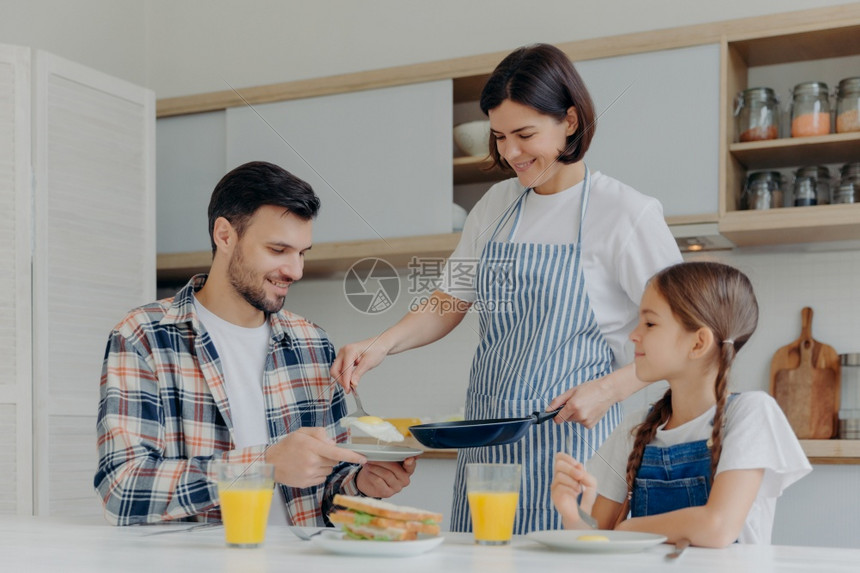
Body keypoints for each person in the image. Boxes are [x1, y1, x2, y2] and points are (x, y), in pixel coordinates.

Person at [331, 44, 682, 533]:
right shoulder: (497, 205)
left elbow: (688, 331)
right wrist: (381, 344)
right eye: (499, 137)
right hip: (489, 447)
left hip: (579, 446)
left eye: (525, 134)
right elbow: (450, 298)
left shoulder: (625, 213)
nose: (510, 153)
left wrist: (610, 389)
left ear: (571, 121)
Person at [94, 161, 416, 526]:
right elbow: (121, 489)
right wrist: (262, 465)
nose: (295, 270)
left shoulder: (312, 343)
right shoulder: (144, 336)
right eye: (278, 250)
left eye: (302, 253)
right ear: (225, 236)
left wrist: (360, 484)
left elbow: (328, 493)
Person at [550, 261, 811, 546]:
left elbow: (717, 526)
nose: (634, 335)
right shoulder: (637, 427)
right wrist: (571, 515)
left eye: (650, 323)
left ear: (698, 343)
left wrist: (627, 529)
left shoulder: (751, 413)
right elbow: (599, 540)